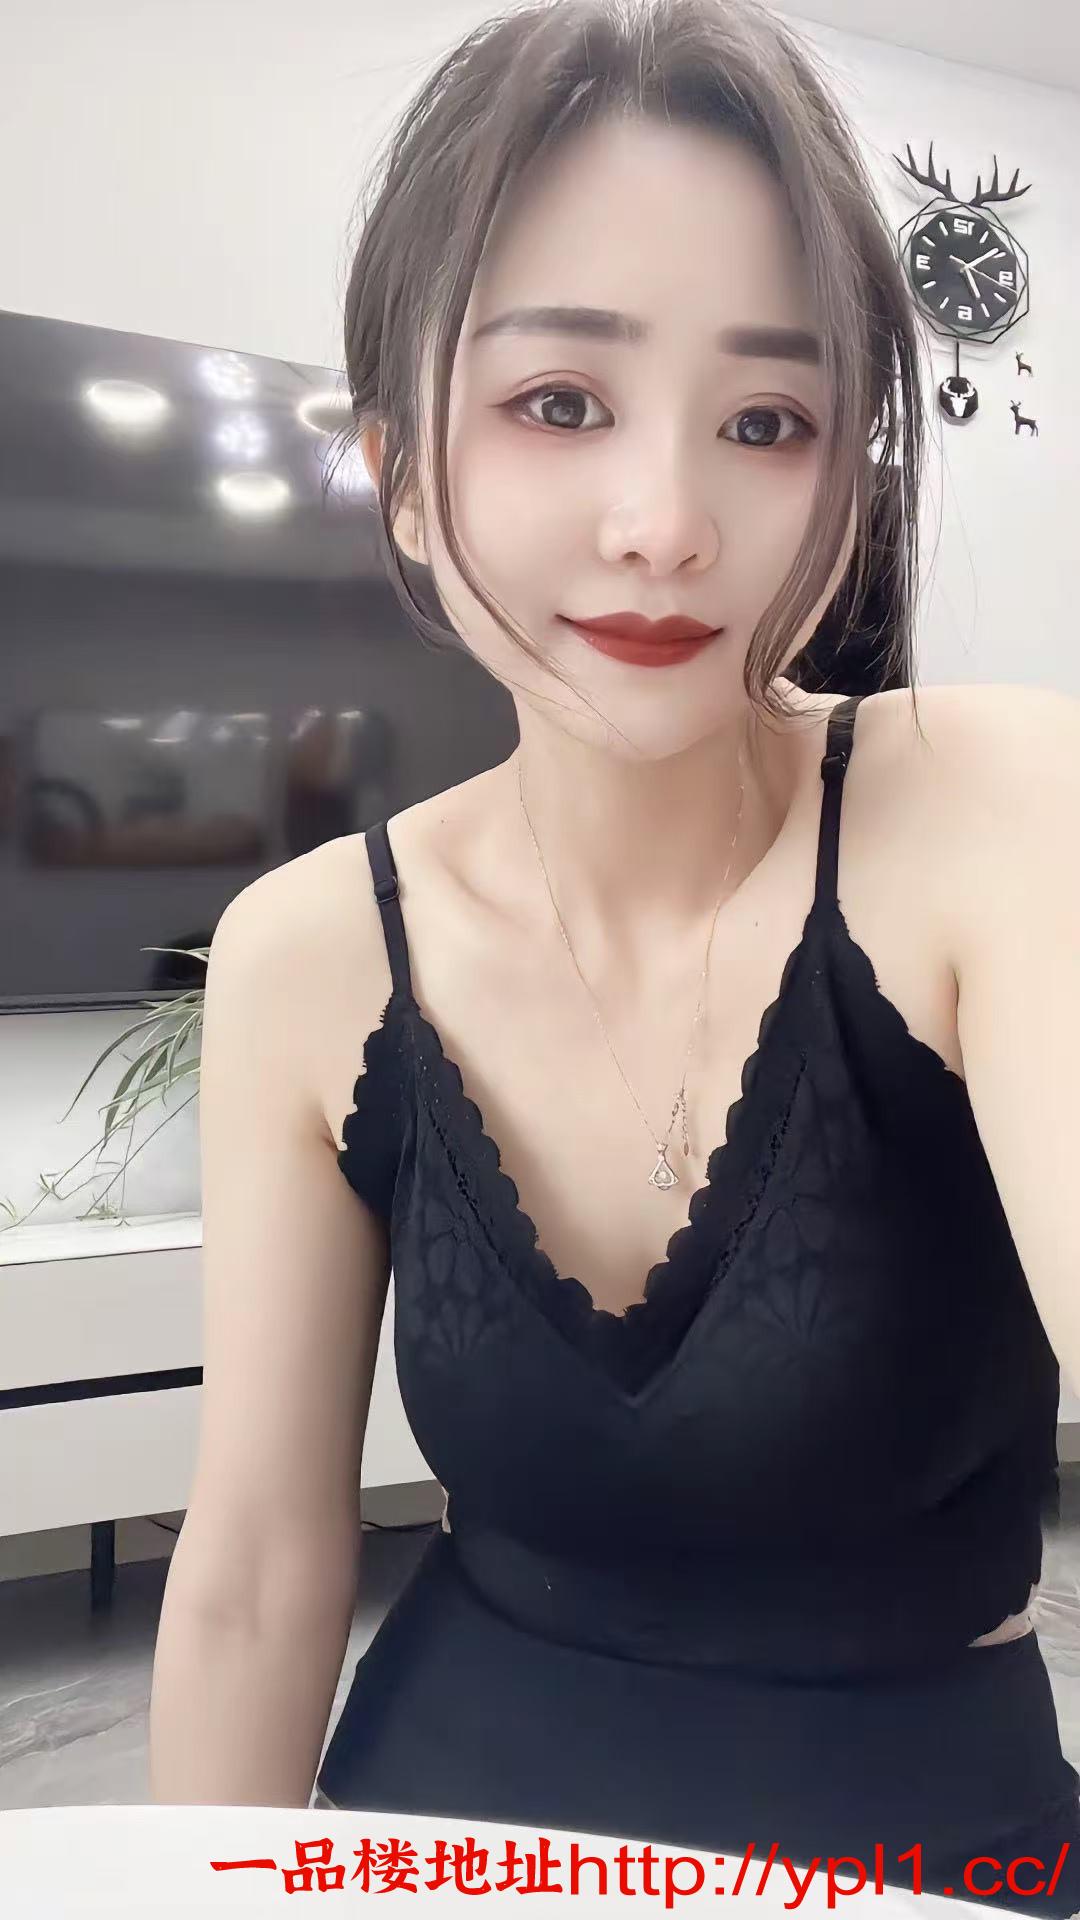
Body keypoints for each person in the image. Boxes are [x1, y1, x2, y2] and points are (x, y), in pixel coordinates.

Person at [148, 0, 1080, 1908]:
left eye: (768, 422)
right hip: (441, 1837)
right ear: (406, 472)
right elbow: (251, 1567)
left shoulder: (992, 811)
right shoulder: (306, 955)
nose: (666, 527)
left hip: (927, 1854)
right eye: (559, 403)